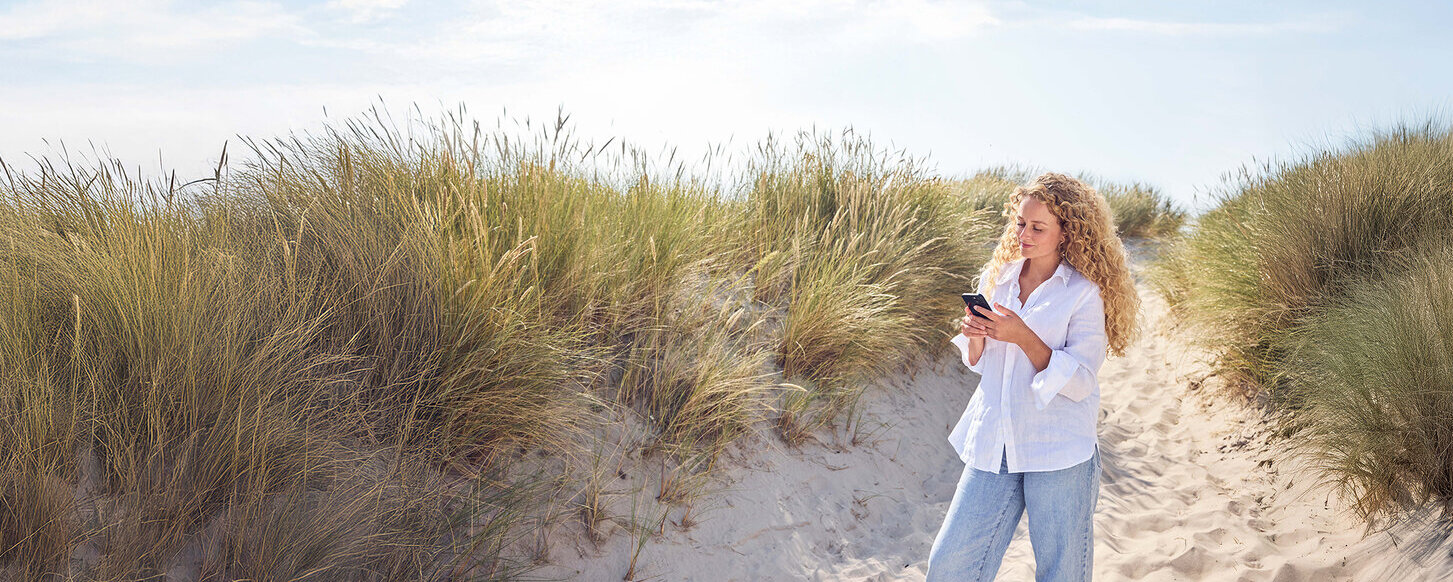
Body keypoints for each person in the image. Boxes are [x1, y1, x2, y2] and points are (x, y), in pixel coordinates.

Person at [926, 172, 1138, 581]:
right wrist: (975, 337)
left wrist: (1024, 337)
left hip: (1058, 449)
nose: (1024, 233)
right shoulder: (1000, 276)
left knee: (1061, 574)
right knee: (949, 565)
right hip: (996, 443)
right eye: (1021, 223)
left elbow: (1079, 380)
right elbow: (984, 364)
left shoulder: (1083, 293)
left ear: (1066, 233)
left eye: (1038, 227)